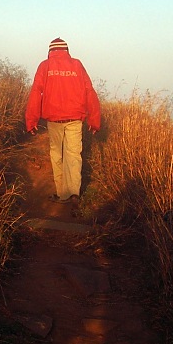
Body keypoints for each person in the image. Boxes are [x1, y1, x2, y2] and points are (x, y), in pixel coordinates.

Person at [25, 37, 101, 215]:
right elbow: (89, 90)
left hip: (54, 120)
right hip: (75, 119)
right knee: (74, 155)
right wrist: (94, 119)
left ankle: (62, 194)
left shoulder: (45, 66)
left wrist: (31, 120)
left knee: (57, 154)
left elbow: (36, 92)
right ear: (67, 51)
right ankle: (74, 193)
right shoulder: (77, 65)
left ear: (50, 51)